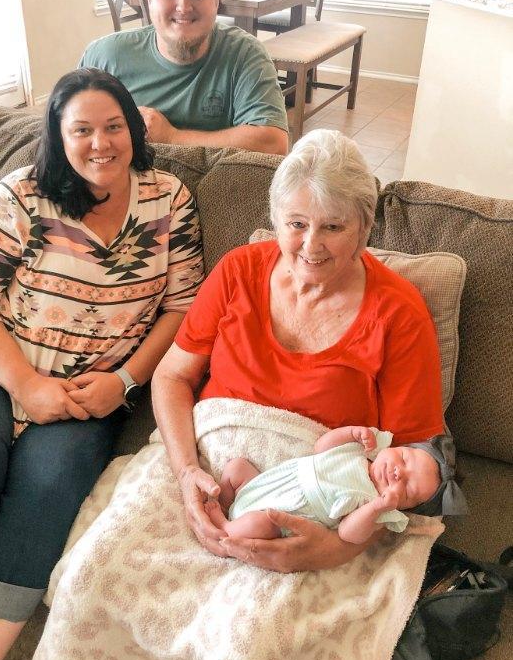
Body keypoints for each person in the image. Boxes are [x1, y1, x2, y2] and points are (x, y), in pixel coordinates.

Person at [0, 68, 203, 660]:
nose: (100, 143)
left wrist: (124, 381)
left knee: (47, 493)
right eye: (81, 130)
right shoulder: (23, 194)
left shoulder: (169, 199)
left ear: (133, 131)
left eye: (112, 126)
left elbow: (183, 307)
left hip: (91, 390)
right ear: (59, 137)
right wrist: (26, 384)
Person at [151, 128, 446, 573]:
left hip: (315, 513)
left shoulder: (399, 314)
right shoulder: (238, 270)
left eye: (333, 226)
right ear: (276, 221)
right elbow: (171, 376)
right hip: (204, 473)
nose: (311, 245)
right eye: (297, 224)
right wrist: (187, 472)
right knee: (97, 577)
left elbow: (411, 464)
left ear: (364, 227)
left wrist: (333, 549)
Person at [81, 0, 288, 155]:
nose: (184, 6)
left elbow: (273, 144)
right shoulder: (104, 58)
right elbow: (71, 133)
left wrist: (172, 137)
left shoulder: (245, 54)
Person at [206, 427, 467, 544]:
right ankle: (226, 500)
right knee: (237, 467)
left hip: (283, 513)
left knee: (261, 523)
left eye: (407, 490)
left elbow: (348, 534)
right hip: (270, 483)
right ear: (395, 447)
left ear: (403, 507)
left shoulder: (373, 506)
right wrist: (351, 433)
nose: (399, 473)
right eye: (403, 457)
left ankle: (227, 528)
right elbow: (321, 448)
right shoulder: (361, 451)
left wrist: (378, 506)